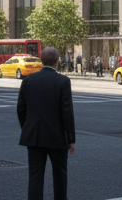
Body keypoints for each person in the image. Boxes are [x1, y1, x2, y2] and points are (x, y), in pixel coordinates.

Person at [16, 45, 76, 200]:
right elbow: (67, 112)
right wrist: (71, 139)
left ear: (41, 60)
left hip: (34, 135)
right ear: (57, 61)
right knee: (60, 175)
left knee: (35, 176)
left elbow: (21, 108)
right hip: (57, 136)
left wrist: (27, 127)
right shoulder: (63, 81)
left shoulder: (28, 80)